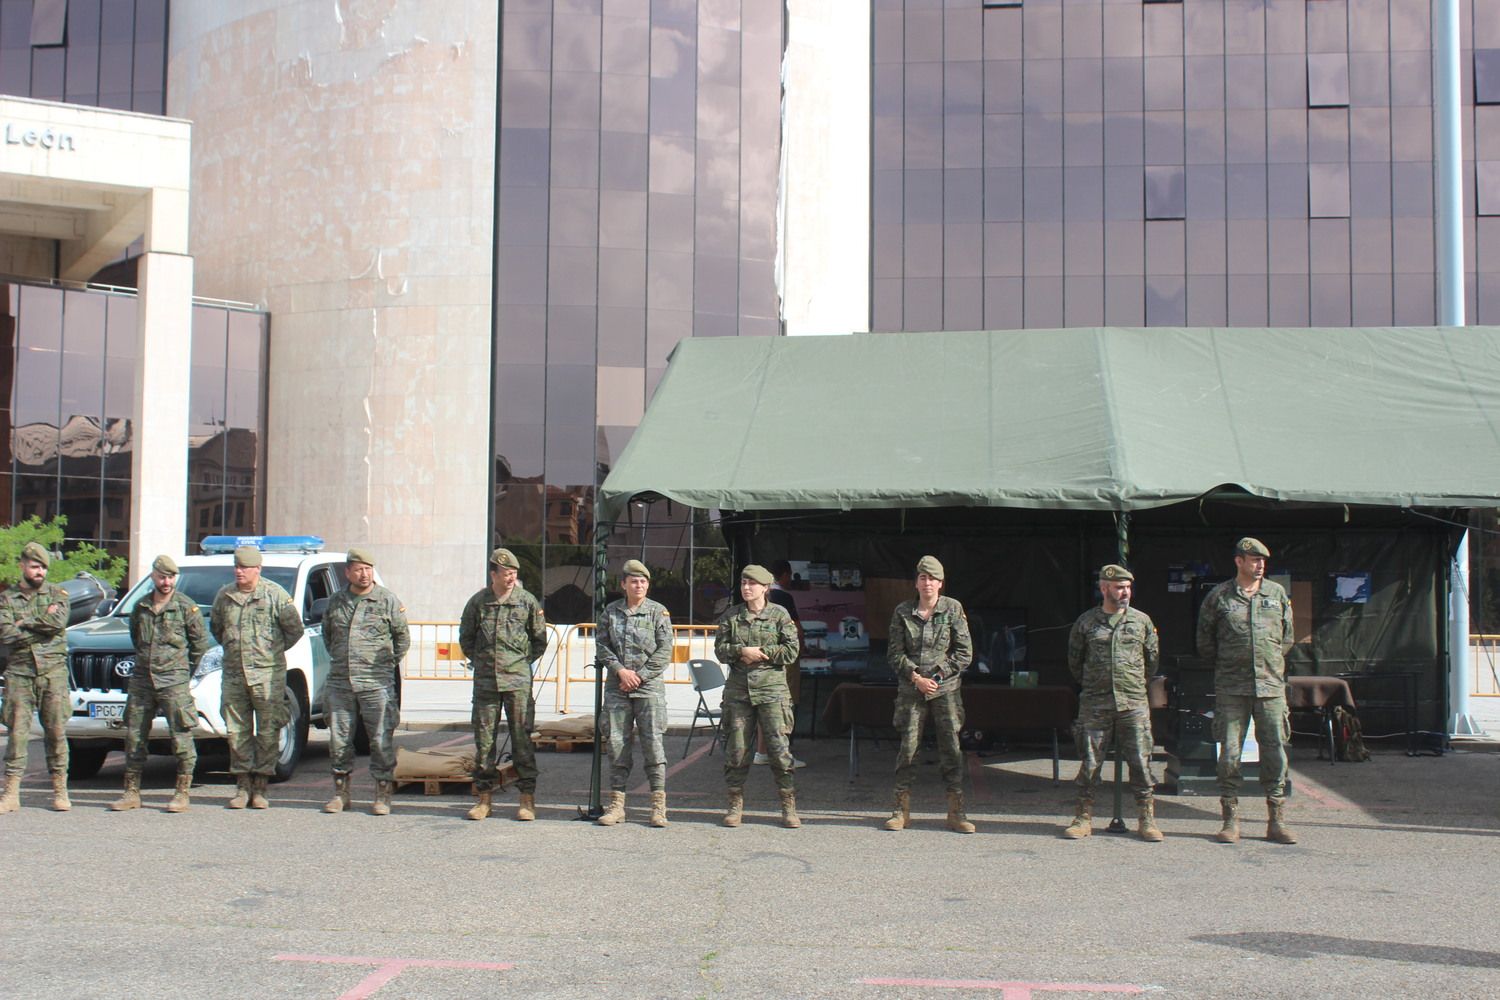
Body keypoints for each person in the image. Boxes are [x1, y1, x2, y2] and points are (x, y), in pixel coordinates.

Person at [1197, 537, 1297, 845]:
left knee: (1275, 752)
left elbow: (1287, 638)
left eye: (1263, 561)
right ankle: (1230, 819)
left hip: (1269, 687)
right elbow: (1205, 642)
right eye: (1254, 560)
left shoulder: (1276, 594)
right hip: (1231, 687)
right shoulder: (1219, 597)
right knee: (1229, 753)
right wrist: (1232, 664)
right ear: (1239, 561)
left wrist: (1268, 665)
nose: (1260, 565)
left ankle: (1276, 820)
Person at [1062, 564, 1162, 842]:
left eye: (1128, 587)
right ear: (1104, 588)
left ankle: (1146, 819)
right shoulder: (1086, 623)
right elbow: (1075, 662)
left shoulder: (1141, 621)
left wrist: (1131, 683)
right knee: (1090, 763)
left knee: (1141, 763)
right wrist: (1096, 683)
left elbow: (1151, 661)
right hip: (1096, 702)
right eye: (1119, 587)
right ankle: (1083, 817)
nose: (1125, 592)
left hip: (1133, 702)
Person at [109, 554, 213, 814]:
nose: (166, 582)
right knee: (134, 736)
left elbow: (199, 646)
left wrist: (182, 672)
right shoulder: (141, 607)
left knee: (181, 736)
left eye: (170, 577)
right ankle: (131, 792)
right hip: (143, 680)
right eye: (162, 576)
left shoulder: (186, 608)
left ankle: (182, 792)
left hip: (174, 681)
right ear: (153, 576)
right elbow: (136, 638)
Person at [884, 555, 975, 834]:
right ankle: (901, 810)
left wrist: (934, 677)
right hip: (912, 690)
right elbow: (894, 653)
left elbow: (964, 653)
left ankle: (956, 811)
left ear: (941, 583)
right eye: (923, 578)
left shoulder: (952, 609)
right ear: (916, 582)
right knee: (908, 750)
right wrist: (916, 677)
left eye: (933, 579)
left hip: (944, 691)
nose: (927, 583)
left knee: (951, 749)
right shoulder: (902, 611)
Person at [210, 545, 305, 810]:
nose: (239, 572)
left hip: (267, 675)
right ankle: (242, 786)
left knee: (268, 730)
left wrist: (269, 652)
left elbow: (294, 631)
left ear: (257, 569)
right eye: (237, 567)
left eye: (244, 567)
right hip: (234, 675)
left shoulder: (274, 595)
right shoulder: (225, 596)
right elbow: (217, 628)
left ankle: (261, 786)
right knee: (236, 731)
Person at [459, 547, 547, 822]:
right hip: (486, 682)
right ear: (493, 574)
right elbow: (466, 639)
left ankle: (526, 799)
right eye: (506, 573)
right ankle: (484, 799)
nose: (511, 578)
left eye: (514, 574)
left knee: (522, 741)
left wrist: (519, 664)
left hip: (517, 682)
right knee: (484, 743)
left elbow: (539, 639)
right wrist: (485, 662)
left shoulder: (527, 601)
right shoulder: (478, 603)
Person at [320, 548, 410, 816]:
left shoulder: (386, 600)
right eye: (358, 569)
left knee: (381, 737)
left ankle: (382, 794)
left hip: (376, 683)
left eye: (368, 569)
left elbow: (401, 638)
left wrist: (383, 666)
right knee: (339, 739)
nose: (364, 574)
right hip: (340, 682)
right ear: (348, 572)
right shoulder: (336, 601)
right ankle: (341, 793)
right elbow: (328, 636)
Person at [715, 564, 801, 829]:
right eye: (743, 583)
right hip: (739, 692)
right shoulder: (731, 616)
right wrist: (742, 652)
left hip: (772, 692)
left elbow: (791, 651)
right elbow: (720, 650)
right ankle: (734, 805)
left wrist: (761, 652)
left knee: (779, 750)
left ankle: (788, 806)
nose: (746, 588)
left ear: (765, 588)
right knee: (737, 750)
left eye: (752, 584)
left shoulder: (780, 615)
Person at [593, 559, 673, 827]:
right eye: (634, 581)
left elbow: (664, 651)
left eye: (643, 582)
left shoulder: (658, 612)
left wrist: (639, 676)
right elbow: (602, 646)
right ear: (623, 584)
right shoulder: (611, 612)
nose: (639, 586)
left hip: (648, 688)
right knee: (617, 745)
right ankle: (617, 806)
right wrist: (620, 671)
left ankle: (658, 807)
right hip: (618, 687)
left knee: (653, 746)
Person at [0, 542, 71, 813]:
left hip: (52, 672)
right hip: (20, 673)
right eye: (34, 566)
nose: (39, 571)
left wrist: (24, 622)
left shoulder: (58, 593)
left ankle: (60, 790)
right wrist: (39, 621)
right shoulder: (7, 598)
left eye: (43, 567)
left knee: (56, 731)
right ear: (22, 566)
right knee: (16, 733)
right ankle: (11, 792)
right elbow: (6, 635)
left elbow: (57, 624)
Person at [757, 558, 806, 768]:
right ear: (785, 575)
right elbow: (796, 630)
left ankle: (761, 751)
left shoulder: (760, 598)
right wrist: (801, 649)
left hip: (762, 660)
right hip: (783, 659)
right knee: (784, 705)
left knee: (765, 704)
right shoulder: (783, 597)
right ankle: (782, 755)